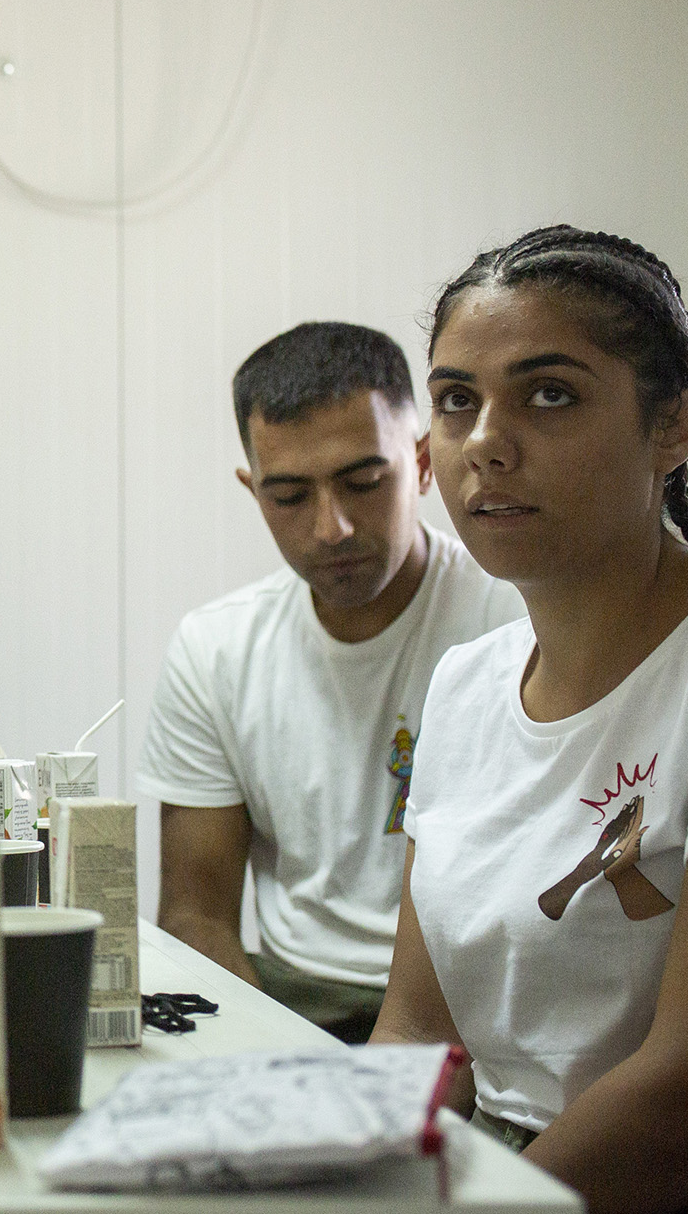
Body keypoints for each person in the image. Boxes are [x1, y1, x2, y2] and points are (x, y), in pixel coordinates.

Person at [372, 226, 688, 1211]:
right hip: (489, 1172)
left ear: (673, 428)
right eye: (456, 400)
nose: (485, 442)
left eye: (549, 394)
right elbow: (418, 1034)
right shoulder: (465, 685)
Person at [138, 322, 522, 1043]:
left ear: (422, 464)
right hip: (285, 1001)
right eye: (289, 496)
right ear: (253, 490)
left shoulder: (516, 621)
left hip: (478, 1010)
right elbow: (195, 916)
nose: (331, 527)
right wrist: (289, 1065)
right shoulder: (216, 648)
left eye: (364, 483)